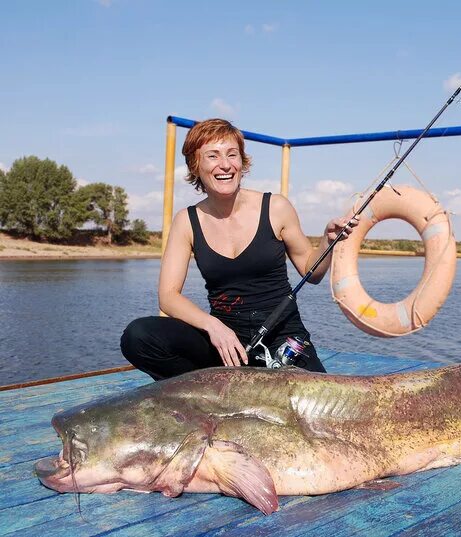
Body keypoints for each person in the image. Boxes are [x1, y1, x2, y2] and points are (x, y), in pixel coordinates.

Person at [120, 118, 359, 380]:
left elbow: (311, 272)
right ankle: (206, 397)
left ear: (242, 162)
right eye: (213, 156)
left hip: (283, 340)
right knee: (138, 336)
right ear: (195, 165)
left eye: (232, 154)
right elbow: (168, 296)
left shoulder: (275, 207)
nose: (225, 164)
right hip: (225, 345)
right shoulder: (186, 221)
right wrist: (213, 327)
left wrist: (328, 240)